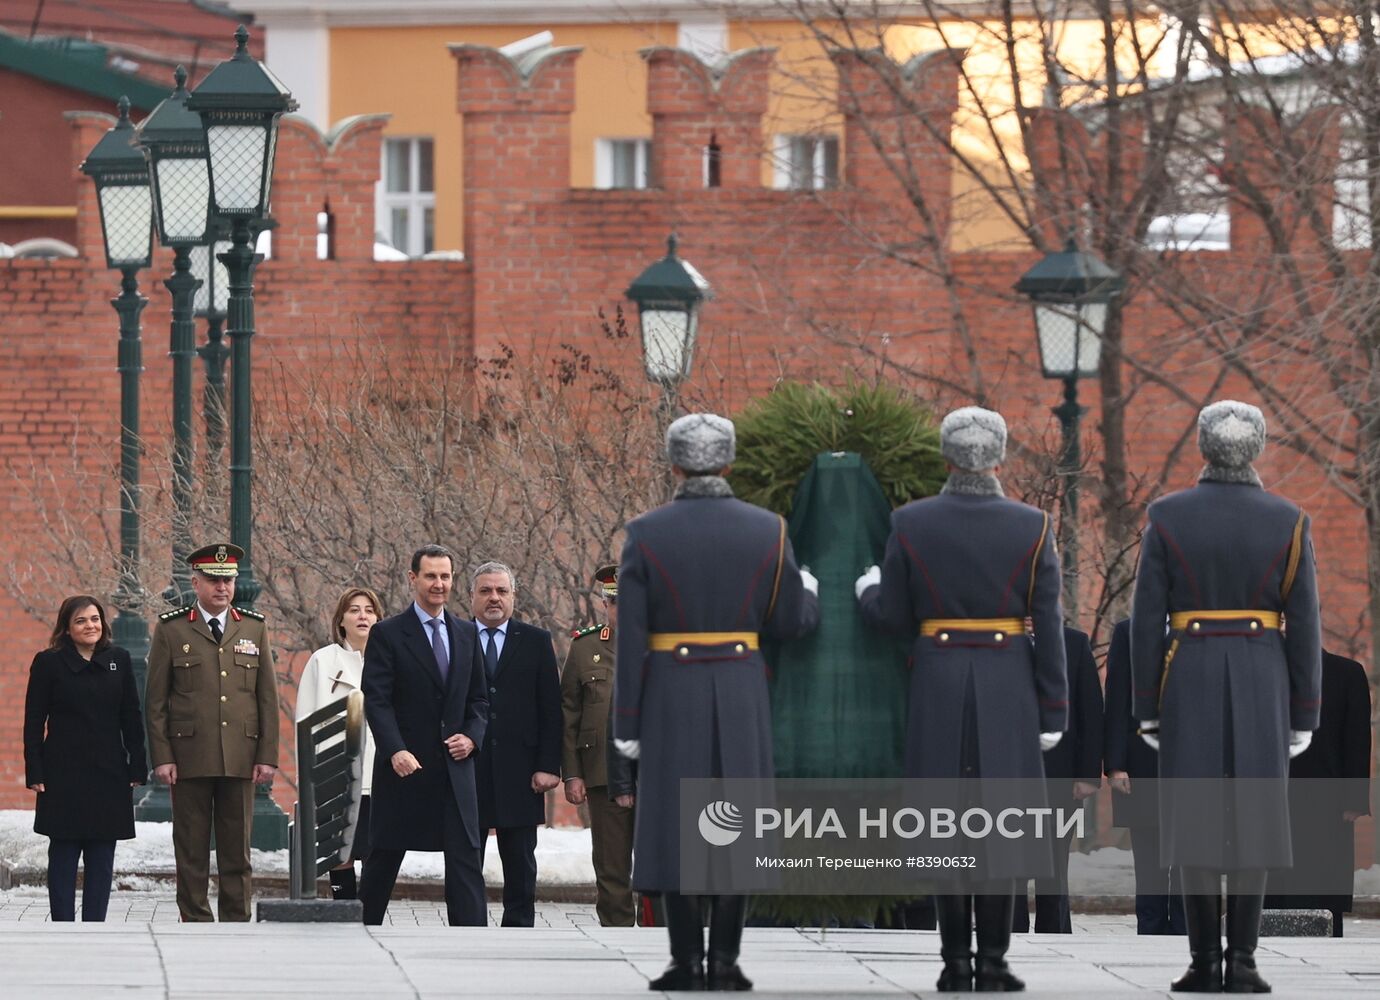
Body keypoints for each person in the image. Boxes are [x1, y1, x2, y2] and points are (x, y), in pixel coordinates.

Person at [856, 406, 1068, 993]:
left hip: (939, 676)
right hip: (1009, 681)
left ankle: (954, 961)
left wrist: (868, 589)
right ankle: (995, 962)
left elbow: (892, 615)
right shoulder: (1033, 525)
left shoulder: (911, 522)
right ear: (998, 456)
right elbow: (1048, 623)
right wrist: (1054, 707)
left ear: (946, 457)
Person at [615, 412, 819, 991]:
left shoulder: (646, 532)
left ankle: (685, 961)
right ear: (728, 463)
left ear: (675, 464)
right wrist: (808, 592)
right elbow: (789, 622)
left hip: (669, 691)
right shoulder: (769, 529)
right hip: (739, 683)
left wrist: (626, 720)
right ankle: (725, 961)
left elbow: (631, 637)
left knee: (678, 824)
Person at [1130, 400, 1321, 993]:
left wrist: (1146, 706)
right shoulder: (1288, 519)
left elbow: (1145, 621)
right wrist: (1305, 709)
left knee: (1194, 820)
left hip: (1188, 672)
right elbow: (1306, 622)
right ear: (1258, 447)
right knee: (1257, 819)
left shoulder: (1166, 516)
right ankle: (1243, 961)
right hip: (1263, 675)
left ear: (1202, 445)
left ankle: (1202, 961)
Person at [145, 543, 278, 922]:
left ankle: (236, 919)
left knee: (238, 849)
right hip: (189, 756)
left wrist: (267, 756)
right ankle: (196, 920)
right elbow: (155, 702)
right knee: (191, 846)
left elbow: (266, 697)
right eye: (214, 580)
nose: (223, 588)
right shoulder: (171, 629)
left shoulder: (254, 626)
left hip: (241, 754)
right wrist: (163, 756)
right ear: (196, 582)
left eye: (229, 580)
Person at [358, 544, 489, 926]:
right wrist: (394, 750)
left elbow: (479, 700)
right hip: (405, 769)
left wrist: (472, 737)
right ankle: (361, 932)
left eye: (445, 576)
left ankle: (473, 942)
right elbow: (377, 700)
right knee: (383, 857)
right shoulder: (388, 633)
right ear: (413, 578)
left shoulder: (466, 633)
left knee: (466, 861)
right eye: (431, 576)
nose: (439, 584)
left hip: (455, 768)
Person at [23, 595, 146, 922]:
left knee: (102, 853)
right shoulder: (49, 662)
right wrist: (34, 769)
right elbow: (34, 720)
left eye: (94, 619)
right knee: (63, 851)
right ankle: (62, 923)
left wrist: (138, 764)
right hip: (61, 771)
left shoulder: (119, 659)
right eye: (80, 620)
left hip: (109, 771)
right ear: (66, 627)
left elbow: (132, 717)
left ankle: (96, 924)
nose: (90, 625)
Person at [470, 559, 562, 927]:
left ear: (513, 596)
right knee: (466, 857)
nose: (494, 598)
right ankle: (467, 923)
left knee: (520, 858)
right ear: (472, 596)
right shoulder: (457, 637)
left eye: (501, 591)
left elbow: (551, 708)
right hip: (468, 766)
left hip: (521, 771)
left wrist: (548, 765)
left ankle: (519, 927)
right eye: (486, 591)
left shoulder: (536, 641)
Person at [1263, 649, 1372, 937]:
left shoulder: (1346, 672)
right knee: (1273, 889)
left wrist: (1354, 799)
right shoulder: (1259, 670)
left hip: (1326, 800)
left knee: (1322, 887)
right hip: (1271, 797)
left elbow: (1358, 738)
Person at [295, 587, 384, 900]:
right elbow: (305, 721)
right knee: (340, 853)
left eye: (369, 610)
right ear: (341, 620)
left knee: (378, 852)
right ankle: (342, 906)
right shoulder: (323, 661)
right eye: (354, 610)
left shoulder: (388, 660)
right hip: (336, 776)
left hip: (380, 776)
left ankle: (372, 914)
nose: (363, 616)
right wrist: (310, 779)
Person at [1013, 625, 1102, 934]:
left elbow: (1091, 710)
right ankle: (1010, 933)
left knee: (1053, 864)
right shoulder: (1000, 639)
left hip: (1060, 775)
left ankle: (1056, 934)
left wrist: (1089, 774)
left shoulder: (1075, 644)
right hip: (1008, 773)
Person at [561, 564, 636, 927]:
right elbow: (569, 715)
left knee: (664, 865)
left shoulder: (663, 646)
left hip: (657, 776)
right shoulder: (584, 647)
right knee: (611, 866)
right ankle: (619, 935)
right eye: (616, 602)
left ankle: (663, 937)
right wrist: (572, 774)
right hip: (602, 772)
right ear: (606, 605)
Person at [1103, 618, 1185, 935]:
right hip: (1141, 764)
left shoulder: (1200, 624)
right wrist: (1115, 764)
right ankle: (1149, 928)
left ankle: (1184, 928)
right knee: (1149, 857)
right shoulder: (1129, 631)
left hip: (1193, 764)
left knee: (1189, 854)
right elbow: (1117, 698)